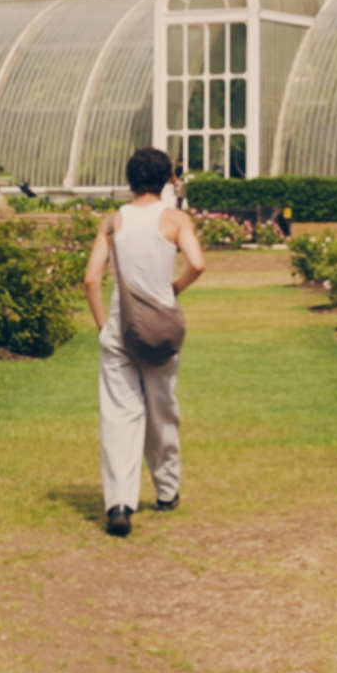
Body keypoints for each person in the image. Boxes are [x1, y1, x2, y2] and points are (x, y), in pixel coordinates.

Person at [83, 146, 206, 537]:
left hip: (121, 325)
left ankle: (119, 503)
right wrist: (174, 289)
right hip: (161, 327)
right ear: (169, 178)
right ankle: (166, 492)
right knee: (162, 409)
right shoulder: (176, 219)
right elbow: (198, 263)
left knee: (119, 415)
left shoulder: (112, 222)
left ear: (130, 180)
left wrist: (103, 324)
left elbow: (91, 279)